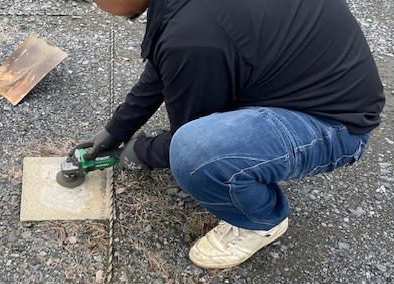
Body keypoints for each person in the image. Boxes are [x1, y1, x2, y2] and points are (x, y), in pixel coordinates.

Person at [73, 0, 385, 269]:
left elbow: (187, 135)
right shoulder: (186, 18)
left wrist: (140, 152)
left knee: (195, 153)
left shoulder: (193, 36)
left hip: (336, 124)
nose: (100, 8)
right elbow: (165, 59)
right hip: (314, 80)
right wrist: (117, 128)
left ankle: (261, 222)